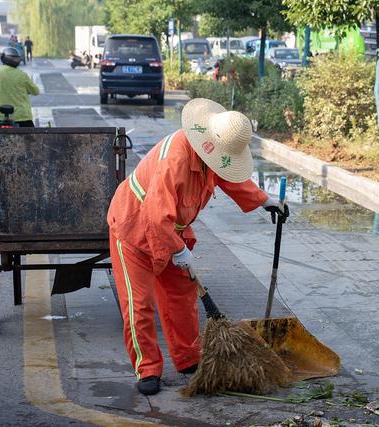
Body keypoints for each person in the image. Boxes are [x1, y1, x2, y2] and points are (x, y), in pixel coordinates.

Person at [107, 98, 288, 396]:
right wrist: (179, 251)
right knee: (139, 305)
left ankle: (188, 359)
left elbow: (228, 177)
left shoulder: (212, 156)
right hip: (132, 227)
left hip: (169, 230)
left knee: (181, 297)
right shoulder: (175, 161)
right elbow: (154, 216)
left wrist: (263, 200)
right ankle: (148, 368)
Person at [0, 47, 39, 127]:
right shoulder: (22, 75)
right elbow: (36, 92)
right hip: (21, 117)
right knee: (30, 137)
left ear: (3, 58)